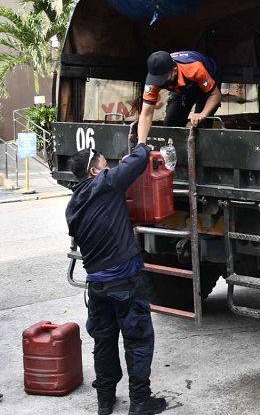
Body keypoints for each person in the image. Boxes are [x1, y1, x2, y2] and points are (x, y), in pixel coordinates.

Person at [65, 144, 167, 415]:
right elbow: (137, 160)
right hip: (125, 282)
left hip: (96, 286)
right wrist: (143, 145)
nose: (108, 166)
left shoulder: (72, 205)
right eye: (104, 162)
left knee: (104, 342)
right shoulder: (107, 184)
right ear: (94, 170)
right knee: (138, 340)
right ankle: (140, 400)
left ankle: (105, 402)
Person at [136, 50, 222, 145]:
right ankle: (175, 153)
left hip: (207, 80)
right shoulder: (154, 77)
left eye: (163, 79)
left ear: (174, 71)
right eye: (157, 80)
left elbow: (216, 95)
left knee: (200, 123)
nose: (159, 83)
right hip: (181, 87)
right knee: (171, 123)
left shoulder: (194, 68)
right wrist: (141, 144)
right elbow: (146, 114)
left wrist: (203, 114)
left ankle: (202, 154)